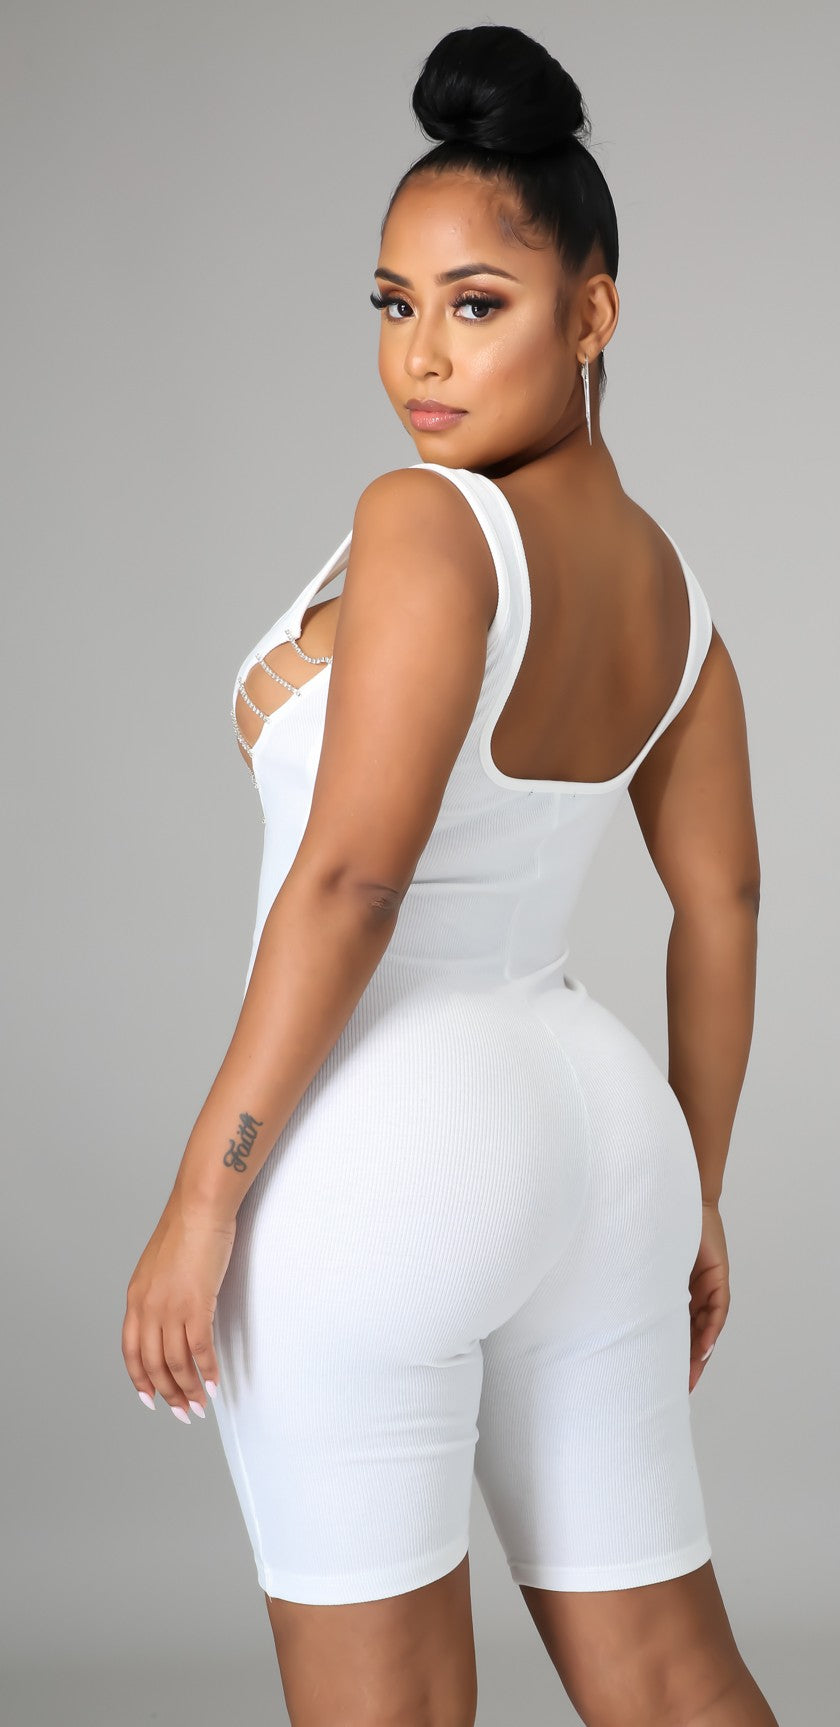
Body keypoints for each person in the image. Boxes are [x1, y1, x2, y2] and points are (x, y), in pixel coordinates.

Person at [121, 22, 774, 1727]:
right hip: (603, 1141)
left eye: (478, 304)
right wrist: (697, 1191)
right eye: (393, 302)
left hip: (386, 1148)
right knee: (672, 1683)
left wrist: (204, 1198)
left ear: (593, 313)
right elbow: (723, 905)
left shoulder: (426, 523)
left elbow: (351, 882)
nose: (420, 355)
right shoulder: (677, 596)